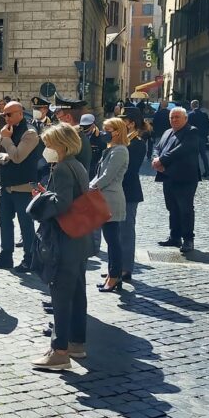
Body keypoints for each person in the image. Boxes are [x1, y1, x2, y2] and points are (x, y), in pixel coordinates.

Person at [27, 123, 92, 370]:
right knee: (77, 292)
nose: (46, 149)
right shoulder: (77, 166)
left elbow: (62, 203)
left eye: (49, 145)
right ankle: (76, 343)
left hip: (65, 241)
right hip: (79, 240)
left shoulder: (63, 168)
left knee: (61, 295)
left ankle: (59, 351)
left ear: (61, 145)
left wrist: (41, 200)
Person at [0, 101, 40, 272]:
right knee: (4, 221)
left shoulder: (30, 133)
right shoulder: (5, 131)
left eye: (8, 115)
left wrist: (7, 141)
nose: (5, 118)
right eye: (4, 115)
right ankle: (5, 255)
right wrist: (5, 157)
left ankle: (29, 259)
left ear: (20, 114)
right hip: (7, 186)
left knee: (26, 225)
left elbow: (18, 156)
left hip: (23, 187)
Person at [152, 107, 201, 253]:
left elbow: (182, 149)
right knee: (172, 207)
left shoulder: (191, 131)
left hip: (185, 177)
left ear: (185, 118)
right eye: (172, 117)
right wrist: (155, 159)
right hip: (167, 176)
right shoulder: (167, 132)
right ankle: (174, 236)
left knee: (185, 209)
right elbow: (157, 147)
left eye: (177, 117)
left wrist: (162, 160)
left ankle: (188, 239)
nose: (174, 120)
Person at [90, 118, 130, 293]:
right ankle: (112, 274)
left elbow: (107, 176)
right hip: (104, 199)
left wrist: (90, 187)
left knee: (113, 241)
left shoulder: (120, 151)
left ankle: (115, 277)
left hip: (111, 200)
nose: (104, 132)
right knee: (110, 239)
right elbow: (99, 173)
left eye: (108, 130)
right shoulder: (111, 149)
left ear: (117, 131)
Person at [117, 106, 146, 282]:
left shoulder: (137, 143)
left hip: (128, 192)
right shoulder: (122, 141)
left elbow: (130, 169)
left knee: (126, 232)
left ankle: (126, 268)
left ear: (131, 123)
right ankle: (116, 267)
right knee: (116, 232)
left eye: (123, 120)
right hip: (117, 191)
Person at [53, 94, 92, 173]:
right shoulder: (77, 135)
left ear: (68, 117)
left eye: (58, 115)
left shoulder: (72, 140)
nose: (57, 120)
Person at [188, 100, 209, 178]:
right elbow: (208, 125)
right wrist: (205, 134)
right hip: (202, 137)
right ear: (198, 105)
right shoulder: (204, 115)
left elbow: (188, 127)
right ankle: (207, 171)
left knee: (193, 155)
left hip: (193, 137)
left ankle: (194, 172)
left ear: (192, 106)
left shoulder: (190, 115)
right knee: (203, 155)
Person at [79, 114, 106, 180]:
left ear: (93, 125)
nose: (85, 130)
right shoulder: (78, 136)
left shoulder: (101, 138)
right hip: (80, 170)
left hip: (94, 171)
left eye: (87, 127)